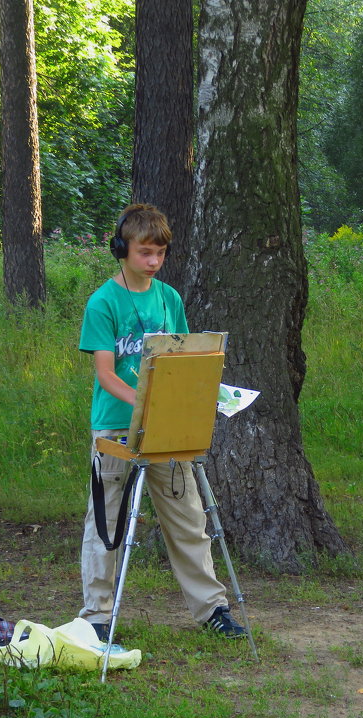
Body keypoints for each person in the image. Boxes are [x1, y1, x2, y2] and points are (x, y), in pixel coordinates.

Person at [76, 203, 246, 641]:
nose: (153, 262)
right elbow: (106, 374)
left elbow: (184, 360)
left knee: (189, 520)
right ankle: (96, 617)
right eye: (145, 253)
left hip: (166, 431)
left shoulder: (169, 298)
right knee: (105, 526)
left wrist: (203, 394)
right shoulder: (103, 302)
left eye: (160, 254)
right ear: (122, 249)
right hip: (115, 429)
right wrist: (143, 405)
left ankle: (212, 611)